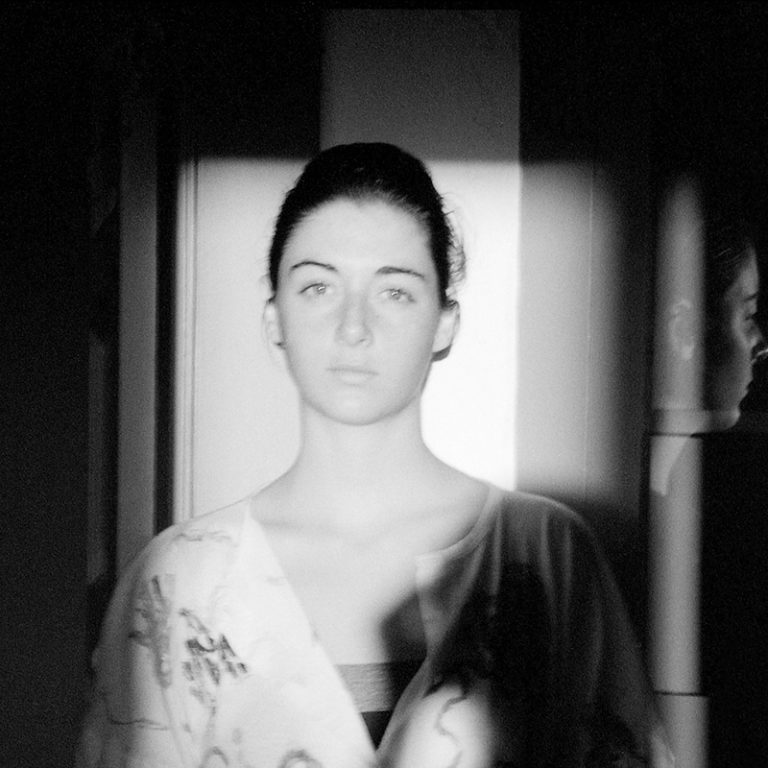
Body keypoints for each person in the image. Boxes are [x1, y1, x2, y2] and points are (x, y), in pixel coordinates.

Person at [77, 143, 672, 768]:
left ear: (445, 322)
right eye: (318, 287)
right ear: (274, 319)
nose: (353, 327)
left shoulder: (545, 554)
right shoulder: (177, 582)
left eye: (394, 292)